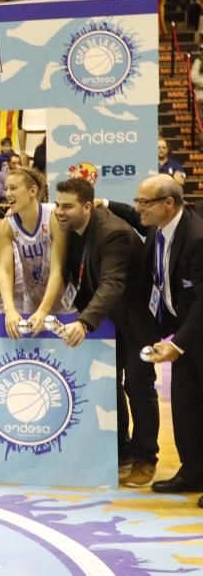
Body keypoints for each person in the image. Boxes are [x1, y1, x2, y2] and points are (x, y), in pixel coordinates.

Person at [52, 178, 158, 486]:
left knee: (138, 387)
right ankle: (121, 450)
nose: (60, 212)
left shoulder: (114, 233)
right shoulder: (72, 229)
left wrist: (84, 322)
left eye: (67, 206)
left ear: (87, 206)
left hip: (136, 321)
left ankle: (145, 458)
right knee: (109, 384)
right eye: (58, 205)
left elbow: (113, 283)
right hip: (107, 319)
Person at [122, 176, 203, 502]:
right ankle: (193, 472)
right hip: (188, 332)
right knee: (185, 408)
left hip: (195, 329)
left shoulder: (197, 239)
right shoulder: (157, 231)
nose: (138, 207)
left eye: (145, 202)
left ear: (168, 203)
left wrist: (177, 343)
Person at [0, 167, 68, 338]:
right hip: (33, 302)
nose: (7, 193)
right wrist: (9, 310)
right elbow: (5, 271)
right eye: (6, 188)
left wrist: (45, 310)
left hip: (65, 302)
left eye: (13, 188)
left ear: (32, 191)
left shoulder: (53, 216)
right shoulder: (6, 225)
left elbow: (57, 269)